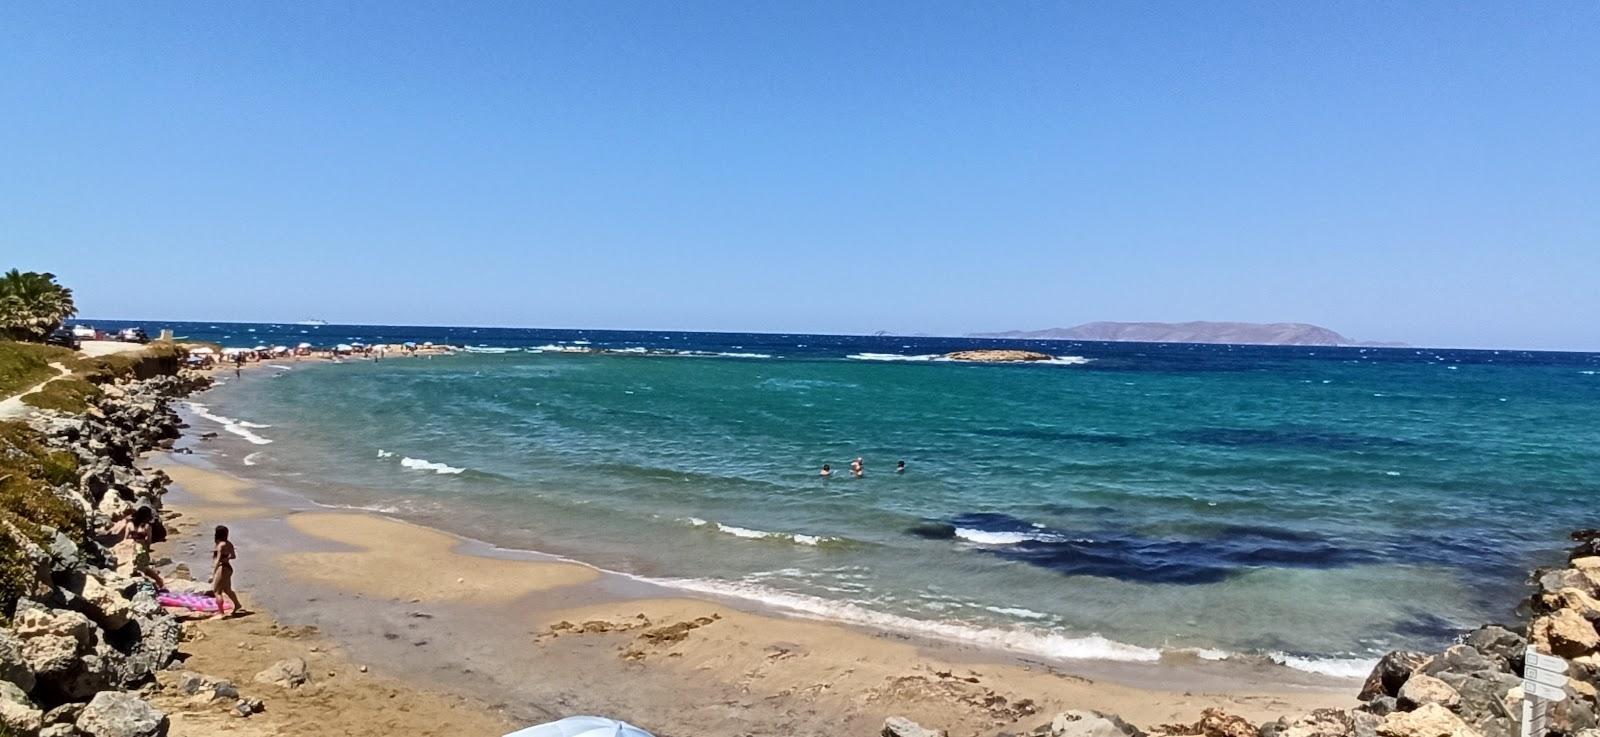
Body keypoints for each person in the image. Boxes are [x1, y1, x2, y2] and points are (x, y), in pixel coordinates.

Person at [111, 506, 165, 590]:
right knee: (143, 567)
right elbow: (148, 540)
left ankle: (156, 582)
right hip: (141, 547)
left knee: (139, 567)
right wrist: (147, 549)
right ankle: (158, 582)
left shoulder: (130, 524)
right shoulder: (146, 526)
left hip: (131, 547)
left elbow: (126, 538)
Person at [211, 525, 245, 618]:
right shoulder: (229, 543)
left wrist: (213, 572)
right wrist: (227, 558)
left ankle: (221, 613)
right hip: (228, 568)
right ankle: (237, 604)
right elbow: (233, 556)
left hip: (222, 568)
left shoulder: (220, 545)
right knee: (227, 590)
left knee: (217, 591)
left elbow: (217, 560)